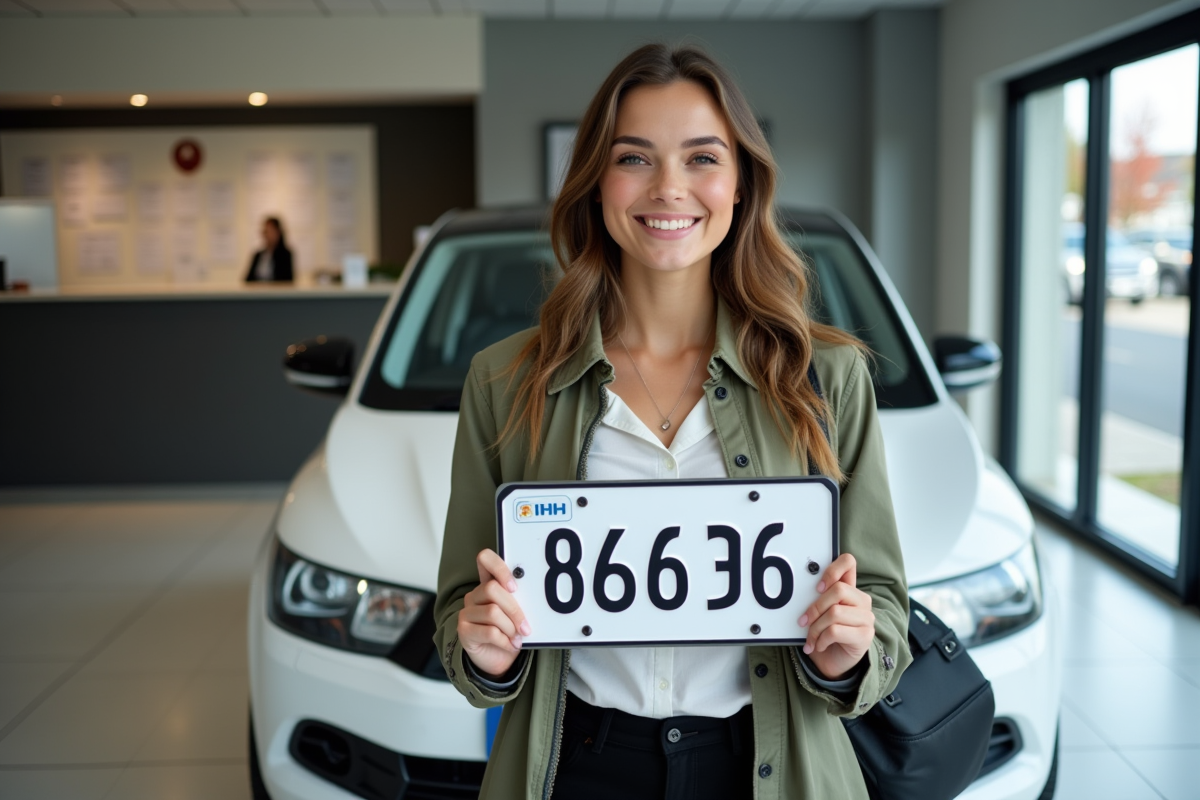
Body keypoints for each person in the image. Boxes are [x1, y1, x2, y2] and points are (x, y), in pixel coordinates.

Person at [434, 43, 910, 800]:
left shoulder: (825, 377)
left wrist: (849, 652)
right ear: (596, 182)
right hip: (577, 768)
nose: (668, 188)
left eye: (701, 158)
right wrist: (485, 654)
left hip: (767, 768)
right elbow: (460, 609)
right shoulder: (505, 381)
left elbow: (882, 603)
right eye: (634, 158)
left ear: (741, 183)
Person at [244, 216, 294, 282]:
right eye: (266, 232)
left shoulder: (285, 255)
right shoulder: (258, 255)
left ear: (278, 233)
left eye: (270, 231)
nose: (266, 235)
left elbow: (286, 280)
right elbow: (248, 279)